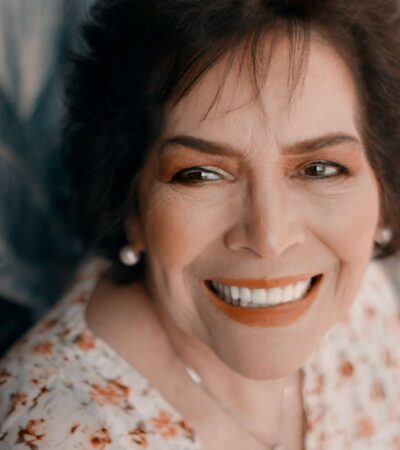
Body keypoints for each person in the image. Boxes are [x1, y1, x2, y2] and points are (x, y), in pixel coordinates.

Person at [1, 0, 400, 448]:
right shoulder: (60, 433)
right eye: (200, 174)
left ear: (383, 190)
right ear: (130, 204)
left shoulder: (366, 304)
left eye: (320, 169)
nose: (269, 238)